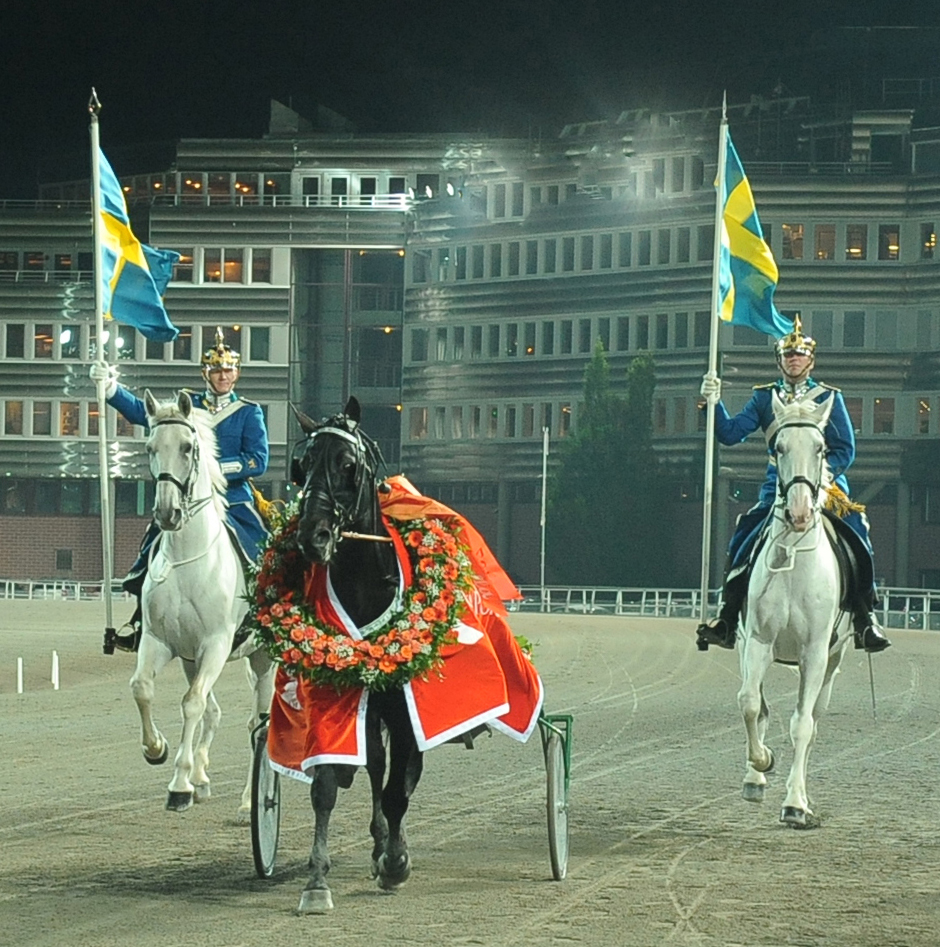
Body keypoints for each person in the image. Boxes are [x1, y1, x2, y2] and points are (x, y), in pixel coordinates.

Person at [695, 316, 890, 654]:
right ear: (780, 360)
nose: (793, 360)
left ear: (810, 360)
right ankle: (727, 618)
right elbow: (729, 434)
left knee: (857, 531)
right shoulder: (763, 398)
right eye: (788, 355)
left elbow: (845, 448)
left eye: (799, 355)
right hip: (778, 488)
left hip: (825, 486)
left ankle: (864, 617)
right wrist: (713, 404)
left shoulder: (828, 397)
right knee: (744, 534)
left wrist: (826, 475)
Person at [90, 327, 270, 652]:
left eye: (228, 370)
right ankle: (140, 616)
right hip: (188, 500)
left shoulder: (248, 411)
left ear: (237, 373)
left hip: (233, 500)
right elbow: (142, 413)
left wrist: (213, 469)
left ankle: (270, 613)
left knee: (264, 546)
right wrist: (111, 388)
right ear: (206, 372)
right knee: (154, 542)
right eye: (216, 370)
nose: (223, 376)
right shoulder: (187, 406)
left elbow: (257, 461)